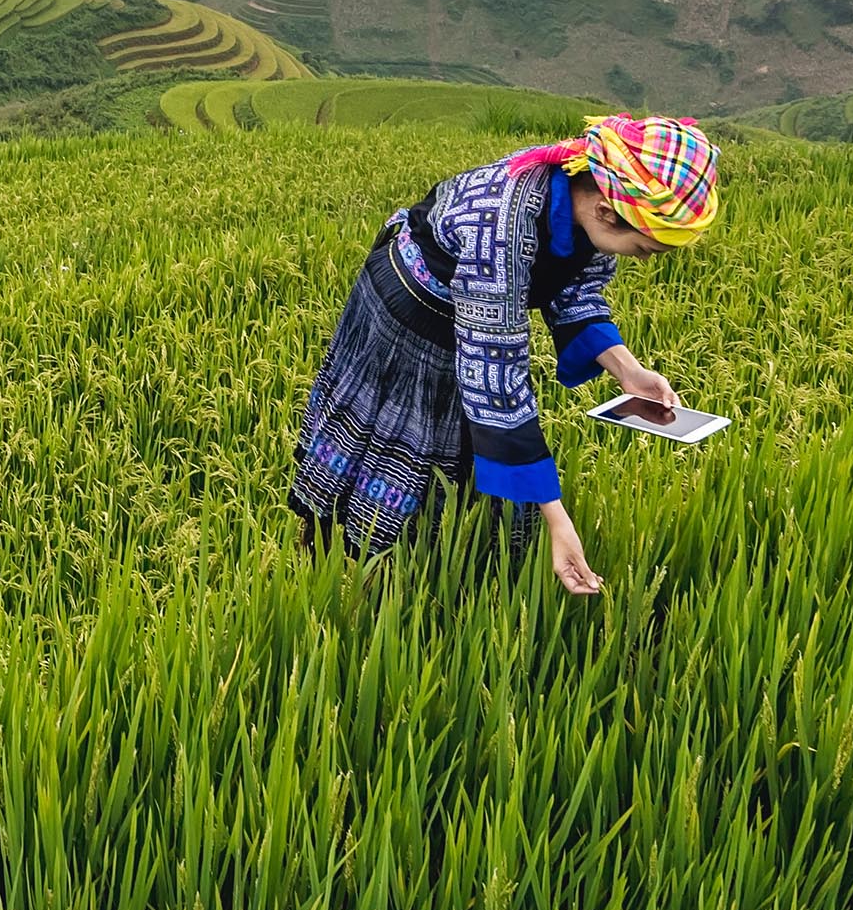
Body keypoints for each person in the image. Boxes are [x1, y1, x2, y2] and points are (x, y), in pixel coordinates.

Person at [287, 114, 718, 595]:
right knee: (399, 439)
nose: (642, 258)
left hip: (467, 305)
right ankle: (348, 565)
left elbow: (576, 292)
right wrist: (556, 517)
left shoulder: (586, 191)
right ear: (606, 211)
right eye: (642, 248)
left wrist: (629, 372)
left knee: (466, 445)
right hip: (408, 307)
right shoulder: (502, 225)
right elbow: (495, 374)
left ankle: (447, 559)